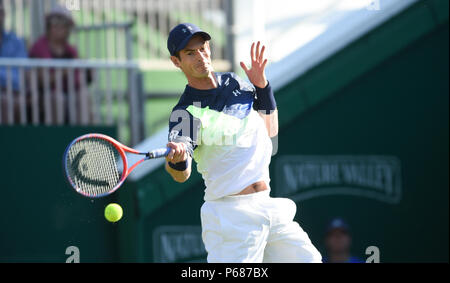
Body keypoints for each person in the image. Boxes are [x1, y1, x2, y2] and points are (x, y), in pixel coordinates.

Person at [164, 23, 322, 263]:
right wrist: (177, 160)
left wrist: (262, 87)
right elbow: (181, 174)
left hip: (268, 206)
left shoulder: (235, 83)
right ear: (177, 62)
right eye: (190, 53)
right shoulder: (186, 112)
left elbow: (270, 130)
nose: (201, 56)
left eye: (203, 48)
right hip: (231, 217)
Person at [28, 5, 92, 124]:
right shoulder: (39, 47)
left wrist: (86, 72)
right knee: (57, 98)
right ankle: (55, 137)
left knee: (83, 95)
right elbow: (43, 81)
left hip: (69, 94)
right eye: (55, 22)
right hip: (42, 97)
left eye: (63, 23)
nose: (59, 27)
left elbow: (78, 80)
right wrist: (65, 71)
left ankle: (82, 138)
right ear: (48, 26)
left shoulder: (71, 50)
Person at [0, 0, 28, 122]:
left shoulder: (16, 42)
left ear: (3, 15)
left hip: (12, 93)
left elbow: (19, 79)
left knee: (6, 100)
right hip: (8, 92)